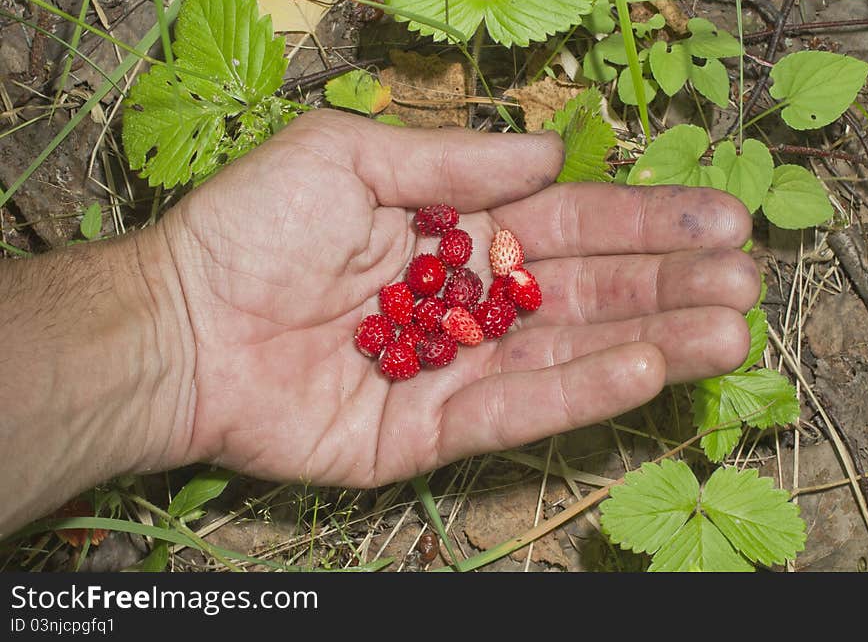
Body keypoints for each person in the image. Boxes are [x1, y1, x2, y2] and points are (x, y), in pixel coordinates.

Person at [0, 109, 759, 537]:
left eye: (441, 291)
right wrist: (179, 305)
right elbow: (433, 302)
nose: (435, 287)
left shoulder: (446, 287)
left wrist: (173, 320)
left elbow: (451, 297)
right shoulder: (427, 292)